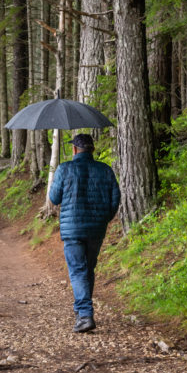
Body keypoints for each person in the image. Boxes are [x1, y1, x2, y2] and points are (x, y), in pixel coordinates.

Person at [48, 133, 120, 333]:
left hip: (73, 230)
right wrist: (104, 218)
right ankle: (82, 311)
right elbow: (115, 198)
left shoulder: (65, 168)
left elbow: (54, 198)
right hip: (96, 229)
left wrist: (57, 178)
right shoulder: (105, 170)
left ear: (74, 150)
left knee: (78, 270)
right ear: (93, 150)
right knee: (87, 270)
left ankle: (85, 314)